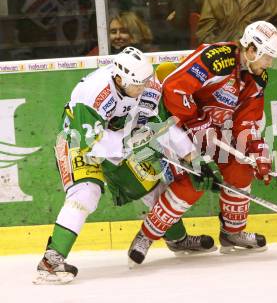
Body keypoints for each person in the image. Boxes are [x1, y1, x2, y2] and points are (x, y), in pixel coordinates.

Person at [33, 47, 215, 285]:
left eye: (145, 83)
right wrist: (127, 145)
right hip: (77, 140)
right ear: (119, 79)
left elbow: (163, 127)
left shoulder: (146, 86)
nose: (143, 89)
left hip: (119, 141)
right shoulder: (92, 93)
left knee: (150, 185)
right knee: (87, 192)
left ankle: (177, 239)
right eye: (137, 85)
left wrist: (193, 158)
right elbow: (90, 141)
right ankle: (51, 261)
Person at [126, 21, 277, 265]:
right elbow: (174, 89)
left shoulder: (258, 77)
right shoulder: (215, 58)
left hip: (213, 131)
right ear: (251, 50)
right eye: (267, 57)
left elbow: (247, 120)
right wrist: (198, 124)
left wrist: (258, 151)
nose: (269, 64)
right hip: (177, 124)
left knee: (241, 168)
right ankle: (146, 236)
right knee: (194, 182)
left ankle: (232, 234)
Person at [195, 0, 277, 44]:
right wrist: (228, 49)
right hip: (224, 61)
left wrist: (256, 43)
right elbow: (204, 35)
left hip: (262, 60)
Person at [88, 11, 155, 56]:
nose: (118, 36)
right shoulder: (99, 53)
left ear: (135, 33)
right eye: (113, 32)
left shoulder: (150, 53)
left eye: (124, 31)